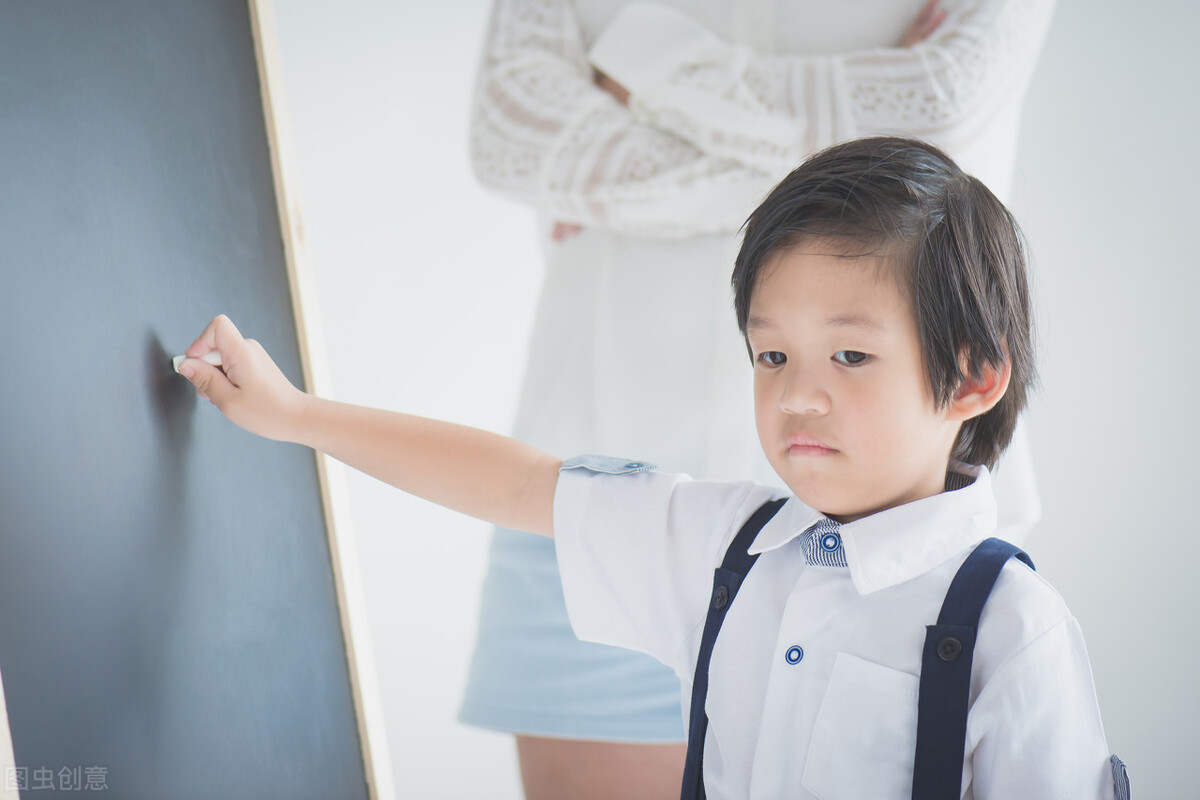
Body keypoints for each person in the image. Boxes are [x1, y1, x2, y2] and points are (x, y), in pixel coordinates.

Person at [177, 137, 1120, 798]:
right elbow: (516, 483)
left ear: (973, 375)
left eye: (851, 356)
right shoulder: (728, 548)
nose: (798, 396)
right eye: (771, 355)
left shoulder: (1012, 626)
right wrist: (295, 415)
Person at [464, 0, 1054, 793]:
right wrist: (847, 141)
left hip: (899, 542)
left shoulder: (1010, 624)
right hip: (586, 499)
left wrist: (647, 71)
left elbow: (942, 112)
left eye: (845, 353)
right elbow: (515, 140)